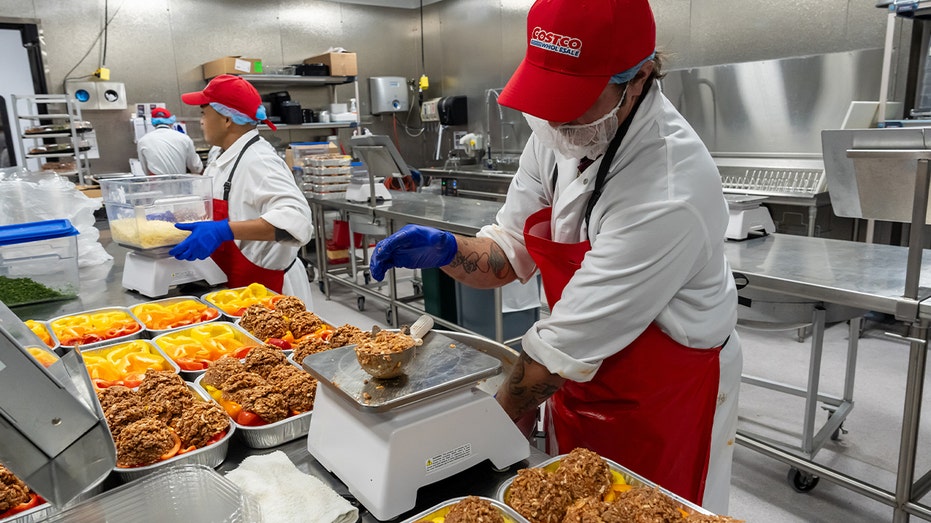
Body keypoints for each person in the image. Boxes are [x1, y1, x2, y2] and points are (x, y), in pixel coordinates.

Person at [368, 0, 741, 514]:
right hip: (577, 367)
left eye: (576, 99)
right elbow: (506, 253)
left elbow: (560, 351)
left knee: (645, 507)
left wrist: (469, 448)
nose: (554, 118)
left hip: (663, 388)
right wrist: (449, 252)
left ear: (639, 79)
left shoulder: (669, 188)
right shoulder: (560, 132)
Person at [170, 74, 314, 305]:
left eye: (203, 112)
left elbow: (297, 221)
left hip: (271, 290)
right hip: (239, 287)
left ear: (227, 119)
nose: (201, 121)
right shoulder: (222, 155)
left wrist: (222, 231)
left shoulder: (259, 161)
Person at [136, 107, 204, 175]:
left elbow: (145, 170)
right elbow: (196, 168)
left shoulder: (143, 141)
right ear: (171, 121)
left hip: (157, 184)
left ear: (153, 122)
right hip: (180, 183)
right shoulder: (184, 138)